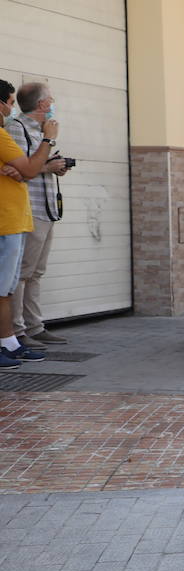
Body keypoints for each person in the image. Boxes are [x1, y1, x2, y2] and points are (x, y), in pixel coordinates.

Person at [5, 82, 71, 349]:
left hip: (45, 209)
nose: (53, 102)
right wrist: (46, 166)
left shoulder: (41, 130)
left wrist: (55, 167)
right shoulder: (17, 129)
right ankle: (18, 331)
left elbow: (35, 166)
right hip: (28, 209)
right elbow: (22, 169)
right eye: (50, 99)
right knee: (22, 272)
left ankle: (35, 326)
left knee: (36, 272)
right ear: (43, 104)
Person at [0, 80, 57, 368]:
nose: (11, 108)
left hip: (32, 211)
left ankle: (18, 336)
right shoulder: (14, 129)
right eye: (9, 103)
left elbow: (23, 168)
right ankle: (17, 333)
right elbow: (28, 169)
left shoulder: (28, 131)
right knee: (10, 282)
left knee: (22, 277)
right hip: (16, 214)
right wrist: (46, 146)